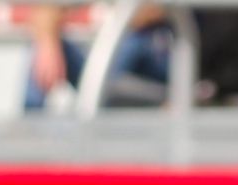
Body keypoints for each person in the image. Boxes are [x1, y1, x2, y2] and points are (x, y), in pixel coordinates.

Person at [24, 4, 172, 111]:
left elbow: (147, 11)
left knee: (133, 43)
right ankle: (28, 138)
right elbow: (45, 8)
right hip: (104, 61)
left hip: (156, 58)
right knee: (43, 47)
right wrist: (48, 44)